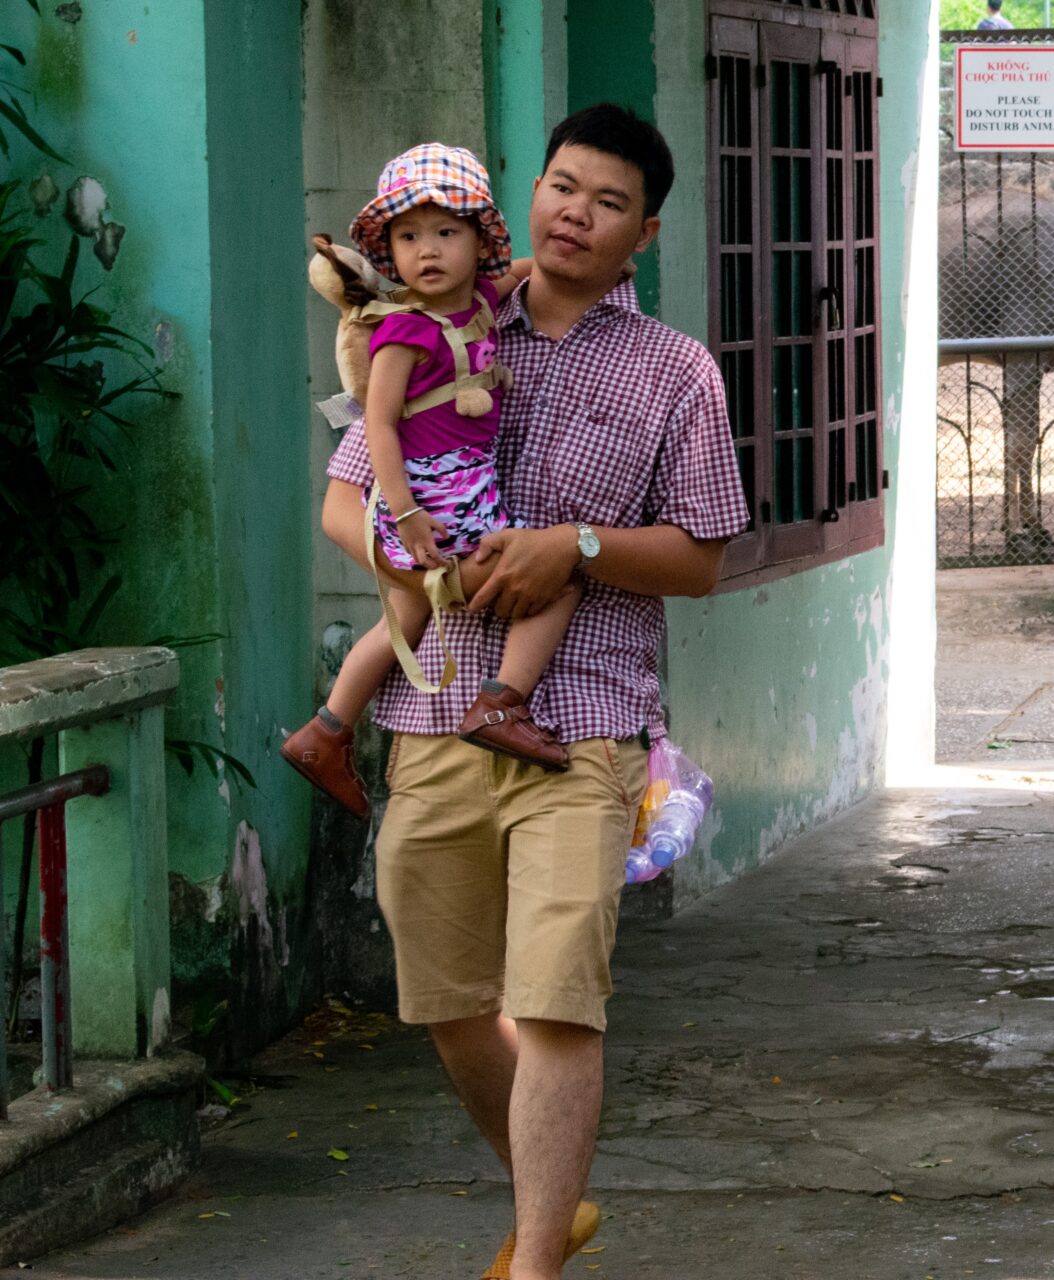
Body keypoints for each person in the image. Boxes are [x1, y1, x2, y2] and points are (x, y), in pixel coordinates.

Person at [323, 103, 747, 1280]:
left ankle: (534, 1267)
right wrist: (415, 552)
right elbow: (344, 499)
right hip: (433, 709)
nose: (578, 212)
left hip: (587, 727)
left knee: (561, 998)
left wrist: (582, 546)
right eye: (564, 185)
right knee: (450, 999)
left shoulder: (675, 373)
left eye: (609, 201)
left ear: (644, 231)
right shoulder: (438, 312)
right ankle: (549, 1205)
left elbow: (705, 554)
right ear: (534, 188)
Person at [281, 145, 579, 820]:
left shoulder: (477, 301)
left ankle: (325, 731)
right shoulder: (404, 332)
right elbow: (379, 426)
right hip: (432, 498)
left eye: (447, 231)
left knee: (408, 616)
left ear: (480, 242)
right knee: (555, 579)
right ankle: (499, 702)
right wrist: (408, 515)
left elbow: (528, 273)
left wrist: (599, 266)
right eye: (409, 236)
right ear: (389, 252)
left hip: (464, 485)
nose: (429, 250)